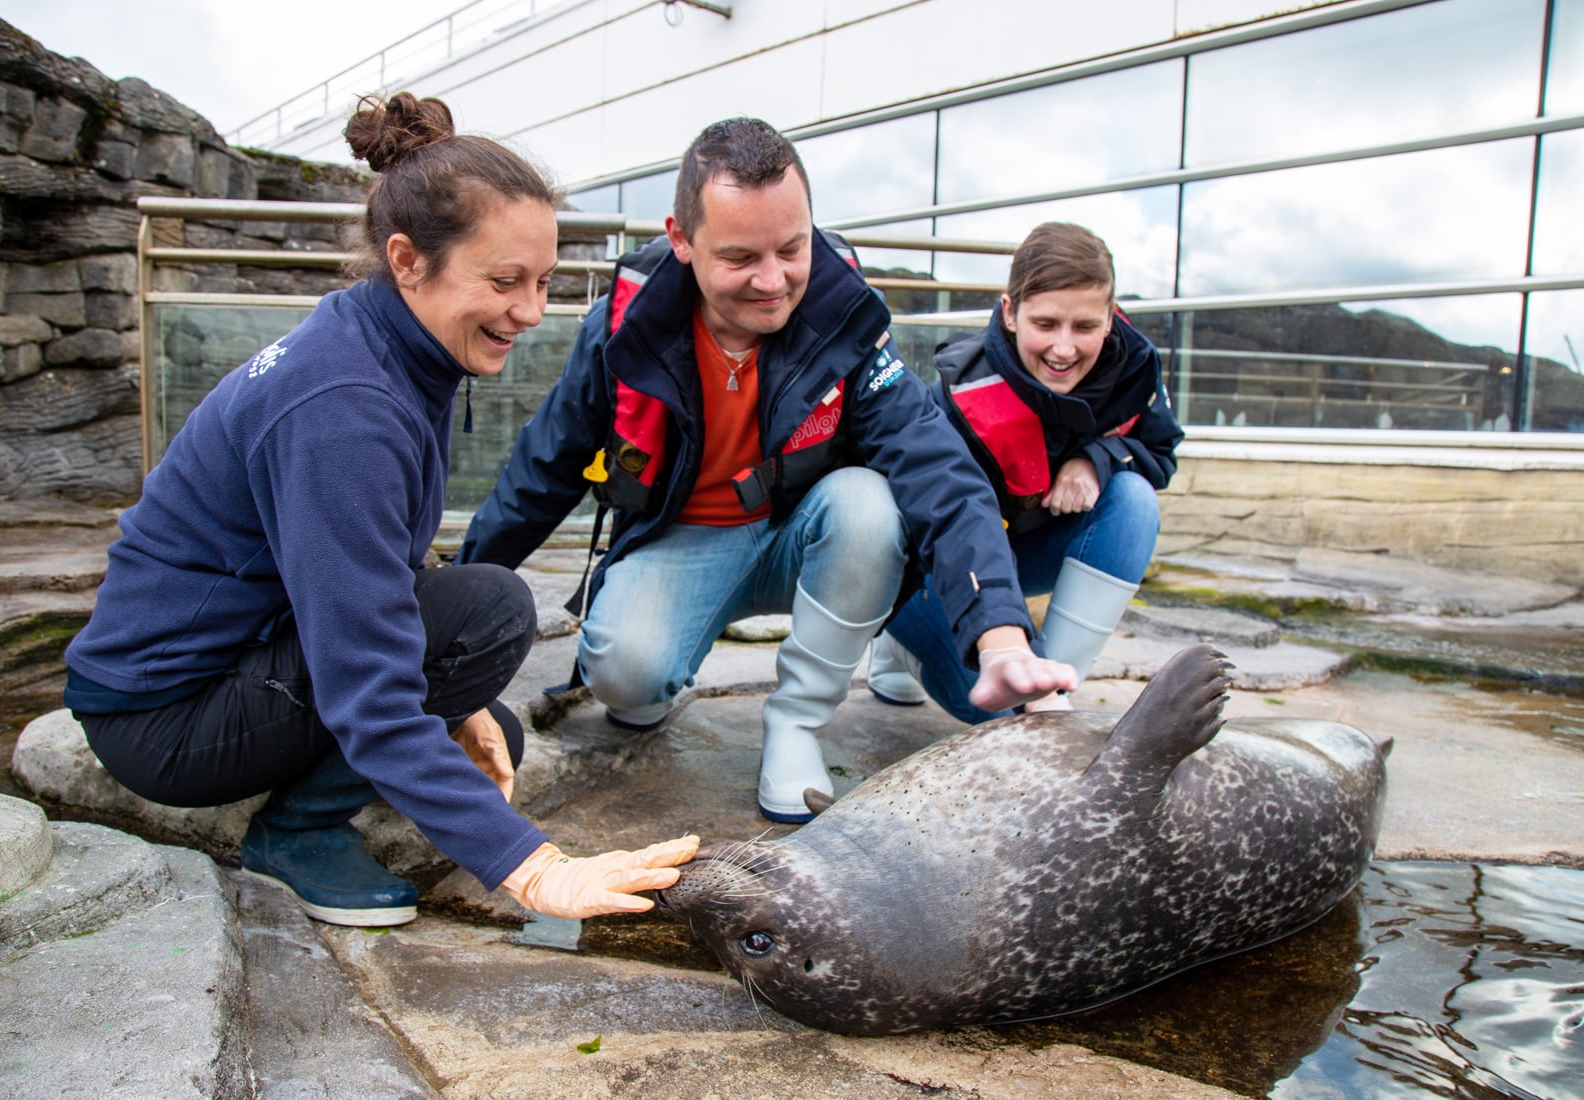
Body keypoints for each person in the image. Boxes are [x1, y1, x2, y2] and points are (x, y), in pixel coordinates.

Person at [62, 93, 697, 928]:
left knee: (484, 710)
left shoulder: (386, 341)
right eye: (504, 281)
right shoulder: (344, 407)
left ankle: (364, 773)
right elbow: (367, 681)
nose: (532, 311)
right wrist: (533, 869)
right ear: (407, 259)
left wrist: (458, 697)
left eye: (544, 282)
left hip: (229, 662)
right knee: (490, 612)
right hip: (163, 717)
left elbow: (381, 571)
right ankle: (295, 834)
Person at [459, 117, 1075, 823]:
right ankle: (658, 679)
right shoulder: (623, 328)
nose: (774, 281)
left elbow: (941, 471)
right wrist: (456, 610)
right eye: (741, 257)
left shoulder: (845, 319)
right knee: (625, 682)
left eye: (793, 248)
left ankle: (799, 725)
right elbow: (543, 470)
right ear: (683, 240)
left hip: (803, 534)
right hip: (681, 540)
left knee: (870, 503)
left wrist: (1001, 634)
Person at [868, 221, 1184, 724]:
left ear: (1110, 318)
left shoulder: (1135, 371)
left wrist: (1098, 459)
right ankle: (902, 650)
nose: (1064, 349)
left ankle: (1050, 698)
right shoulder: (961, 398)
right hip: (939, 568)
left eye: (1084, 326)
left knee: (1134, 501)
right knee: (990, 710)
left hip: (1028, 549)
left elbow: (1160, 452)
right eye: (1046, 324)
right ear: (1010, 313)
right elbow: (942, 527)